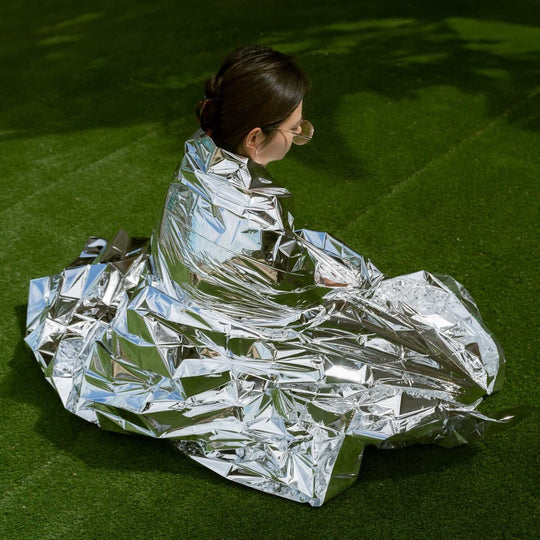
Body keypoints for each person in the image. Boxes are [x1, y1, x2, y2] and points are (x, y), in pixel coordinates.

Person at [25, 45, 527, 507]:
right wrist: (333, 285)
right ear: (254, 137)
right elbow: (289, 296)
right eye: (295, 129)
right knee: (398, 348)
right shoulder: (248, 214)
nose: (300, 136)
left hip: (184, 286)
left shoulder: (201, 156)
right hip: (217, 317)